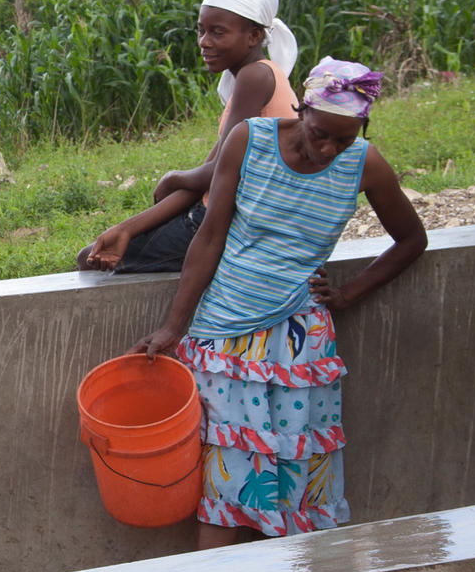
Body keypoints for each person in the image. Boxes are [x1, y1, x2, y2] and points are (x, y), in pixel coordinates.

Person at [136, 58, 427, 546]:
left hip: (297, 344)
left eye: (344, 139)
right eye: (320, 133)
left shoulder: (365, 165)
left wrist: (349, 294)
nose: (329, 149)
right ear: (302, 108)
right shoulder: (250, 140)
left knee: (294, 471)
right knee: (226, 474)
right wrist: (174, 327)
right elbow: (209, 238)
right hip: (224, 334)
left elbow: (410, 239)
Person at [80, 0, 300, 274]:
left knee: (89, 260)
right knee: (103, 246)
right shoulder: (256, 77)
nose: (204, 42)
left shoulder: (255, 77)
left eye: (218, 32)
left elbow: (215, 174)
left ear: (254, 36)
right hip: (224, 215)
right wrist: (127, 228)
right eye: (201, 31)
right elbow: (210, 175)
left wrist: (172, 177)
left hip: (234, 226)